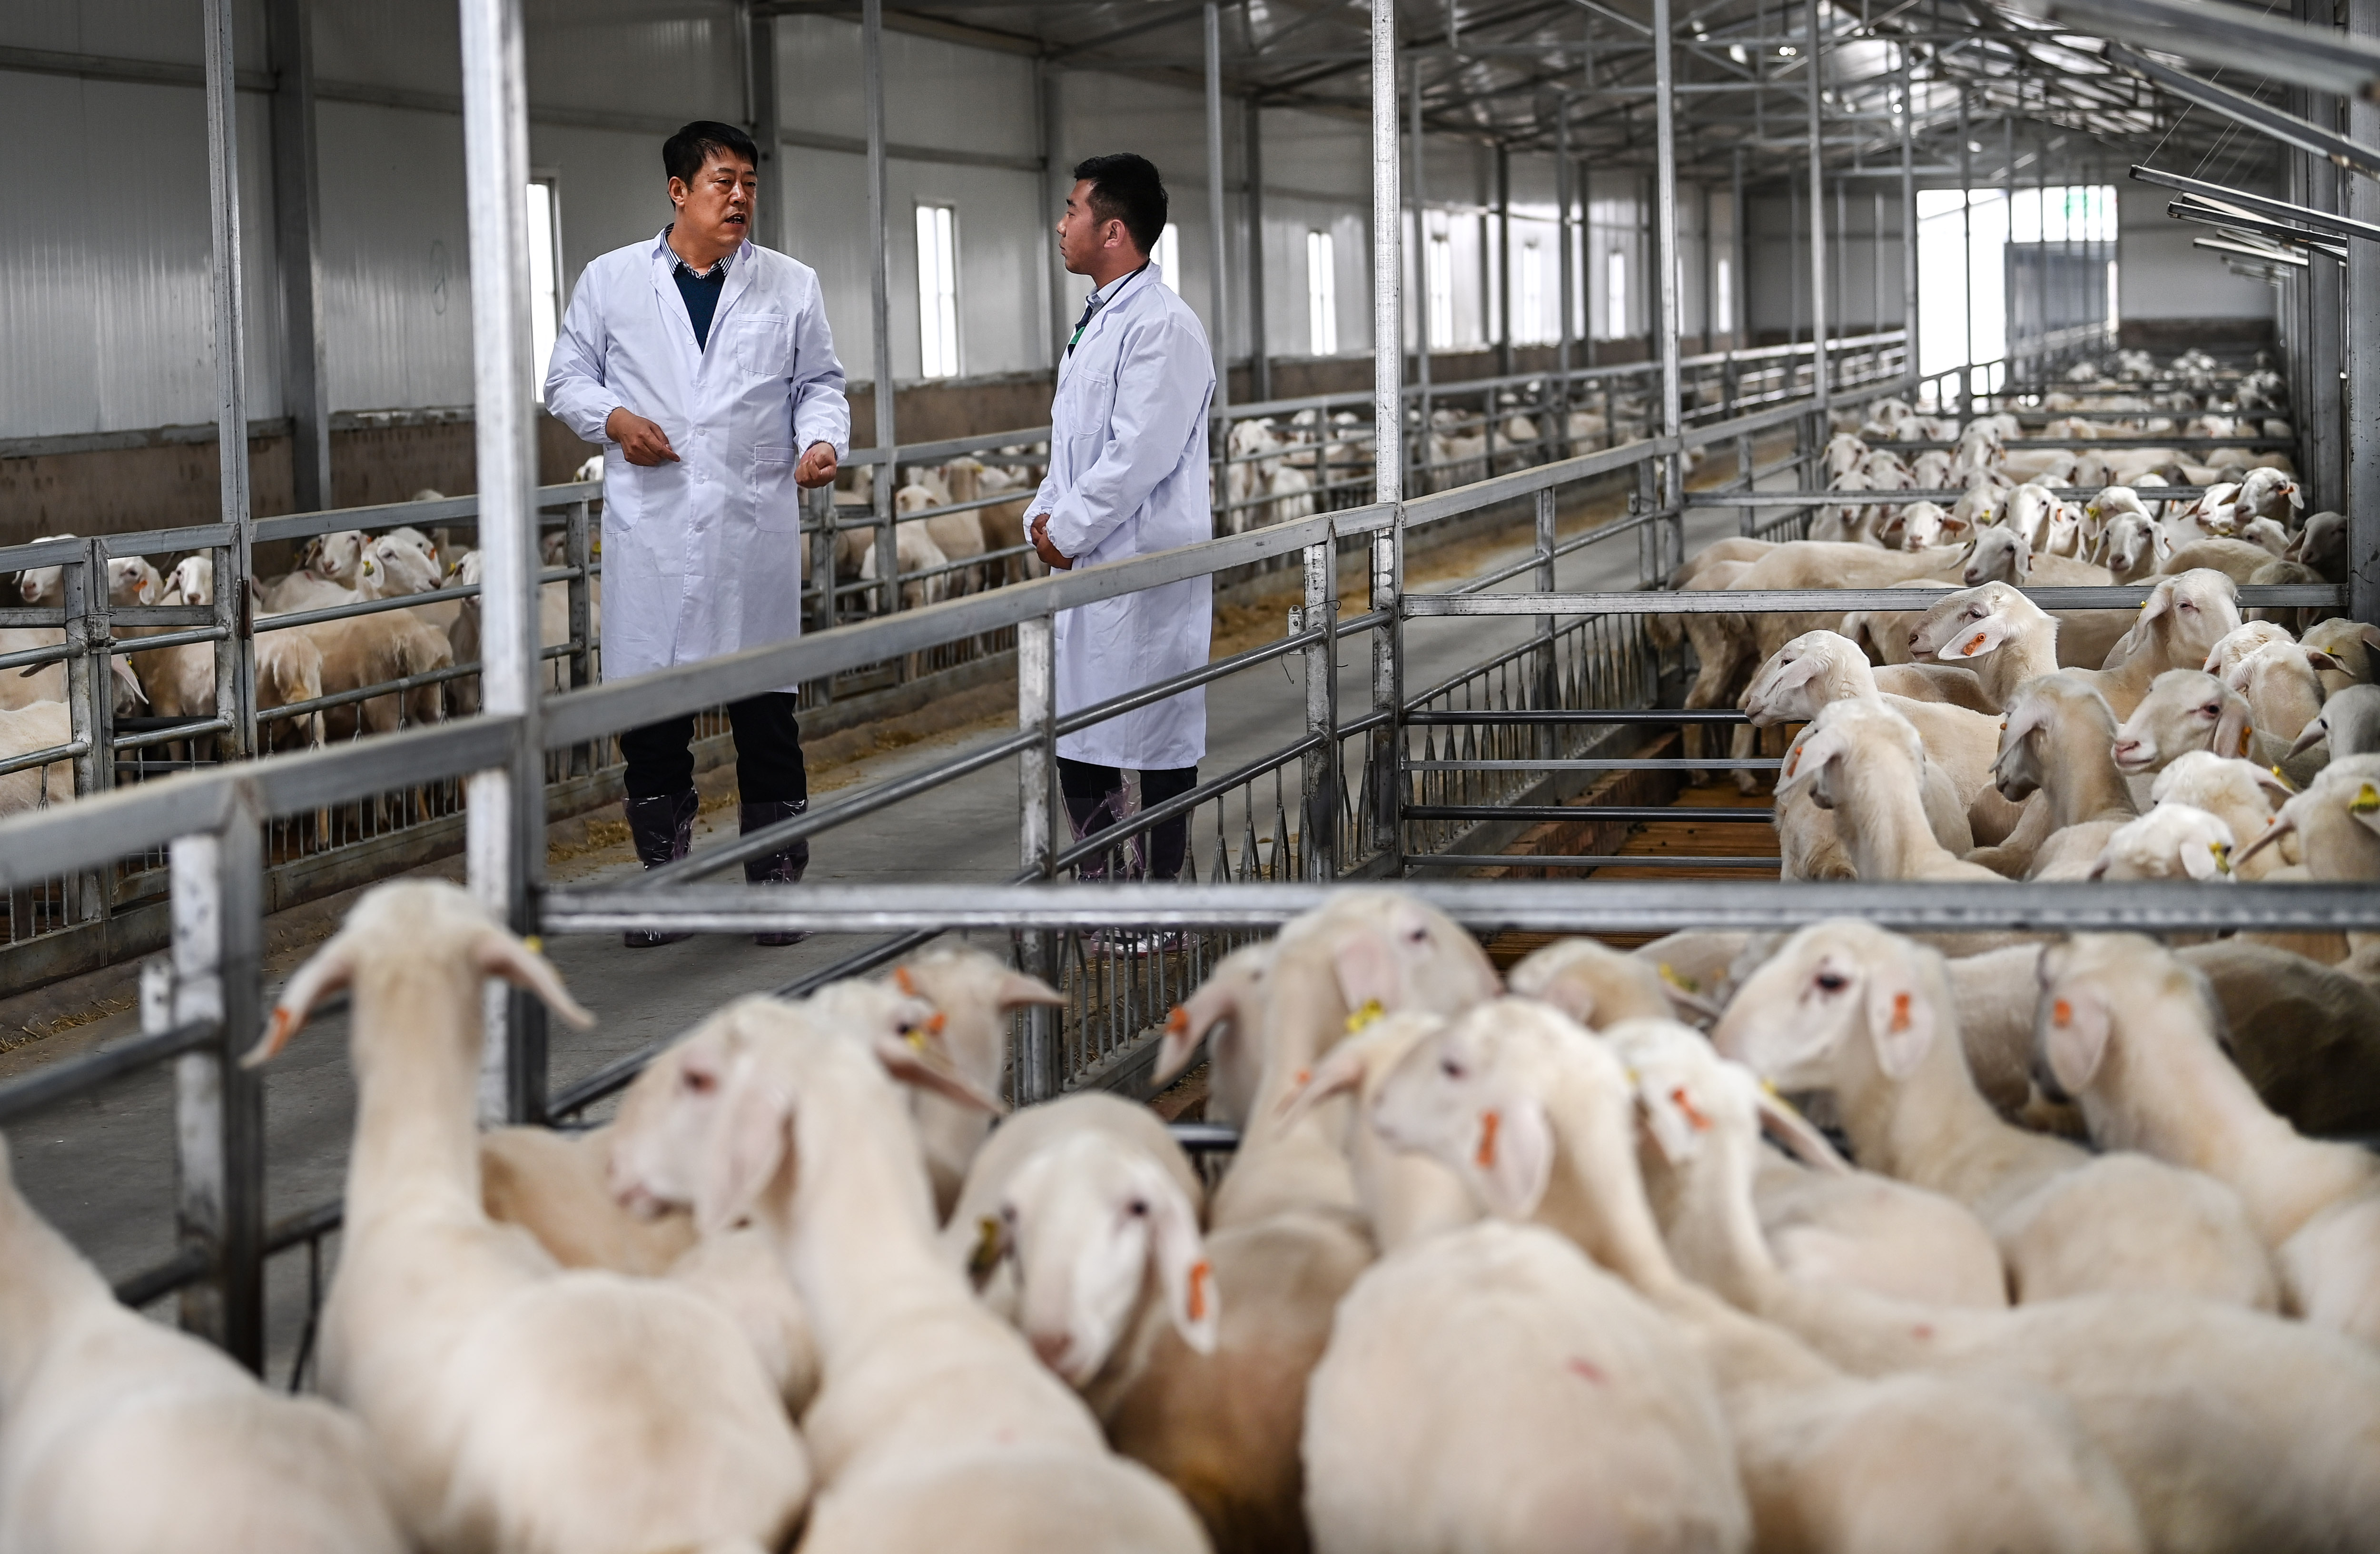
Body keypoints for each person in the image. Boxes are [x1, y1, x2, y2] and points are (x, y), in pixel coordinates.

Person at [545, 120, 847, 948]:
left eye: (749, 182)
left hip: (751, 531)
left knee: (766, 721)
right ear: (678, 191)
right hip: (655, 531)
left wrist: (821, 439)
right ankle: (665, 886)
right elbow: (564, 377)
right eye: (723, 182)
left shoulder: (791, 284)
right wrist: (613, 419)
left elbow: (819, 383)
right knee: (653, 727)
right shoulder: (611, 281)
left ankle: (773, 891)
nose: (740, 196)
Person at [1027, 154, 1217, 891]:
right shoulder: (1099, 321)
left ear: (1111, 231)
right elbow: (1071, 446)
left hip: (1142, 569)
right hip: (1091, 564)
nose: (1060, 224)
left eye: (1071, 210)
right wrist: (1044, 516)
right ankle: (1103, 891)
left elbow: (1138, 454)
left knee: (1155, 739)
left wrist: (1065, 530)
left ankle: (1158, 900)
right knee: (1081, 735)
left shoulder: (1163, 326)